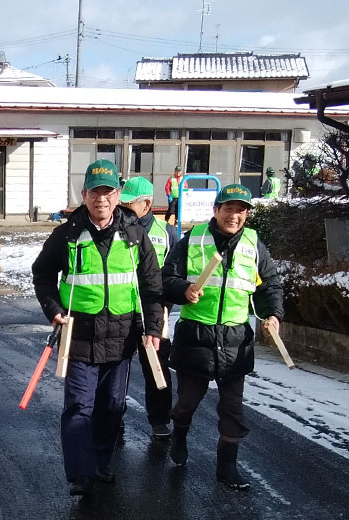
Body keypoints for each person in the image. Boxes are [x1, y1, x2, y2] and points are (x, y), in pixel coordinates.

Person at [32, 159, 164, 497]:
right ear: (84, 194)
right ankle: (80, 472)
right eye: (95, 192)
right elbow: (43, 274)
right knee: (79, 405)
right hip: (79, 335)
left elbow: (150, 285)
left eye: (107, 192)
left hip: (122, 337)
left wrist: (153, 326)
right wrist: (54, 309)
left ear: (118, 195)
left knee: (112, 406)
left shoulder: (135, 235)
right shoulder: (67, 234)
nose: (101, 199)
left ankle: (103, 462)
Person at [161, 184, 284, 490]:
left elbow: (269, 283)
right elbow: (167, 278)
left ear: (246, 215)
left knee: (233, 409)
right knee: (187, 402)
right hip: (196, 337)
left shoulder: (254, 243)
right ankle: (179, 435)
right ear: (216, 211)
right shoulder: (194, 240)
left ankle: (226, 468)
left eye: (241, 210)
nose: (234, 215)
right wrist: (183, 289)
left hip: (235, 339)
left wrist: (274, 315)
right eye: (228, 208)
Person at [118, 176, 179, 439]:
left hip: (155, 311)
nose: (125, 208)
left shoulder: (166, 233)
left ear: (147, 204)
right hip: (122, 310)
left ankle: (159, 419)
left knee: (157, 367)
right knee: (118, 368)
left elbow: (176, 273)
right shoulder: (115, 227)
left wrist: (164, 307)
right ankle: (114, 417)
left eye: (130, 204)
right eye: (123, 203)